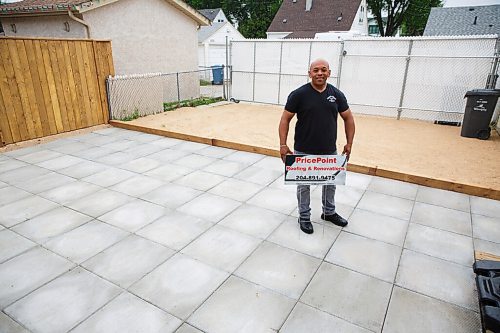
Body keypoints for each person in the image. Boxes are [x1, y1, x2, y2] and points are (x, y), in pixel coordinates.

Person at [278, 58, 355, 234]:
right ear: (309, 73)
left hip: (329, 149)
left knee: (330, 183)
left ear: (329, 72)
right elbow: (285, 119)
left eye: (323, 70)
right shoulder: (298, 94)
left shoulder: (337, 94)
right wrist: (283, 144)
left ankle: (329, 212)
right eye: (315, 70)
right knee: (303, 186)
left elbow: (348, 118)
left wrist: (349, 143)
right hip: (303, 148)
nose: (319, 73)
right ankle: (304, 217)